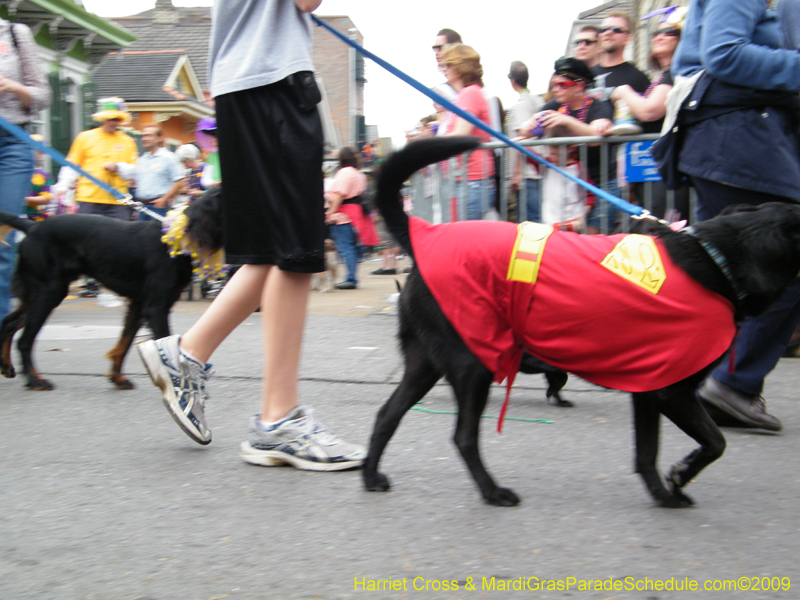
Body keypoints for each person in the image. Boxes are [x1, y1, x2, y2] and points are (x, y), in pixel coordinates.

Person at [137, 0, 366, 470]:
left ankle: (187, 353)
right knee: (296, 252)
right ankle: (277, 420)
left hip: (244, 83)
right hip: (271, 81)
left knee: (269, 252)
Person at [651, 0, 800, 431]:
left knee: (708, 276)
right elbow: (725, 54)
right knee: (787, 264)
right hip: (737, 137)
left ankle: (681, 373)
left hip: (730, 137)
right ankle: (730, 382)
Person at [610, 7, 690, 220]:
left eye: (670, 32)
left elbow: (649, 111)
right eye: (656, 33)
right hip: (652, 170)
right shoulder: (663, 75)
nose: (660, 36)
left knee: (662, 231)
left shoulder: (678, 72)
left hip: (668, 172)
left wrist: (623, 91)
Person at [518, 57, 614, 231]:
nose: (555, 90)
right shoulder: (554, 105)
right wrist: (529, 124)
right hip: (571, 185)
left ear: (579, 86)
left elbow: (596, 136)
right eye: (554, 84)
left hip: (602, 185)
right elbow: (526, 130)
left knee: (592, 241)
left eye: (561, 85)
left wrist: (567, 121)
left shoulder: (599, 107)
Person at [0, 17, 50, 321]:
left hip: (11, 144)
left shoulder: (15, 34)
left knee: (1, 240)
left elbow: (43, 95)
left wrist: (13, 86)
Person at [55, 97, 138, 221]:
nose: (113, 122)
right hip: (89, 198)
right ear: (102, 119)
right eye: (110, 119)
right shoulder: (85, 137)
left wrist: (118, 167)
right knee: (87, 238)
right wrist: (62, 186)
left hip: (118, 200)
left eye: (117, 119)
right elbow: (72, 165)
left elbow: (135, 170)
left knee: (119, 238)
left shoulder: (128, 141)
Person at [439, 43, 496, 220]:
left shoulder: (470, 93)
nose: (444, 69)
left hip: (471, 181)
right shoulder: (467, 95)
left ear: (460, 66)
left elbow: (460, 134)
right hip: (467, 181)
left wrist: (426, 148)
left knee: (466, 242)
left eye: (448, 64)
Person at [325, 146, 372, 289]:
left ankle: (350, 278)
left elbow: (339, 194)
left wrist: (330, 212)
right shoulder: (359, 174)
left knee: (346, 247)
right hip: (356, 213)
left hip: (343, 214)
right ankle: (352, 275)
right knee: (353, 246)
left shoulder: (344, 172)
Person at [505, 60, 544, 222]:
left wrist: (517, 173)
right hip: (536, 172)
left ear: (512, 81)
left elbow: (523, 140)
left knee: (530, 223)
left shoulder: (521, 105)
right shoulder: (538, 101)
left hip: (527, 175)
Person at [123, 125, 185, 221]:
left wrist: (164, 199)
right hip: (142, 207)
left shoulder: (169, 157)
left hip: (159, 207)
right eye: (144, 136)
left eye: (149, 135)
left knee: (157, 235)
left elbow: (180, 180)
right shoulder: (141, 159)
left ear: (159, 138)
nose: (145, 138)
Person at [23, 134, 54, 220]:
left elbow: (46, 198)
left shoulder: (44, 175)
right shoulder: (13, 172)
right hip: (13, 218)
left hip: (36, 219)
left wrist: (23, 199)